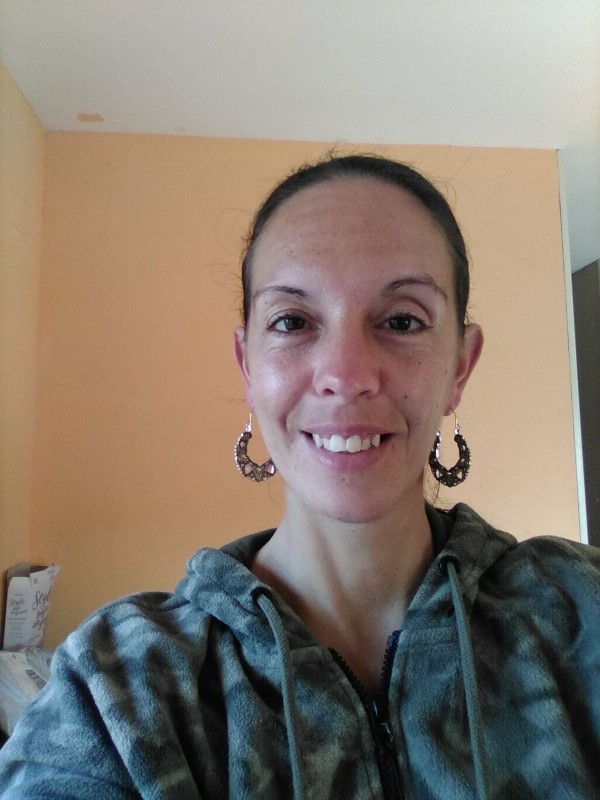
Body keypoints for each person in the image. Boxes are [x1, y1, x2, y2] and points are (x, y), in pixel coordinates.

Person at [0, 154, 598, 800]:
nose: (345, 373)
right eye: (292, 321)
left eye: (402, 320)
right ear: (247, 366)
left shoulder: (579, 613)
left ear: (460, 365)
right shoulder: (118, 688)